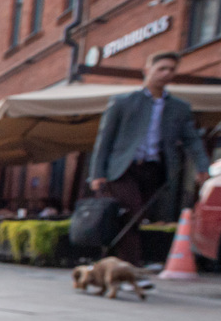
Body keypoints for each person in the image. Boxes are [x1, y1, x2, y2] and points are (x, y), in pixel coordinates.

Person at [88, 51, 210, 266]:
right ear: (147, 71)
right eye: (161, 68)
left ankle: (111, 265)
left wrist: (202, 167)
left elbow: (192, 140)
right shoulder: (122, 102)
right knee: (132, 215)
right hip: (123, 170)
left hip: (155, 171)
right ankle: (132, 267)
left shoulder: (180, 108)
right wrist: (96, 174)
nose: (166, 73)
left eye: (171, 70)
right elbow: (104, 140)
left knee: (133, 218)